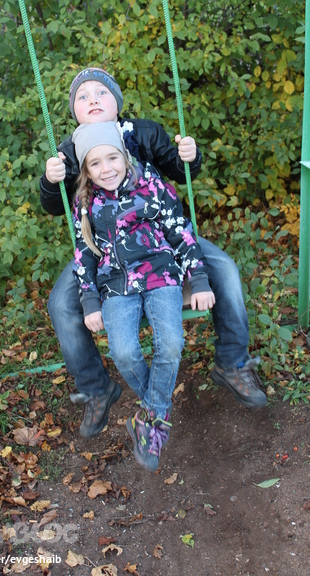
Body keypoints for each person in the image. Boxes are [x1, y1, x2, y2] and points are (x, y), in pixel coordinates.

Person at [40, 68, 267, 439]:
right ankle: (97, 388)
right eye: (82, 96)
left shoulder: (143, 132)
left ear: (117, 102)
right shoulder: (67, 153)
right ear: (74, 112)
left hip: (160, 235)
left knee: (224, 269)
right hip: (104, 246)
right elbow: (55, 205)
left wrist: (189, 157)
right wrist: (51, 182)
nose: (92, 99)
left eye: (101, 92)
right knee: (61, 303)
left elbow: (178, 170)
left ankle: (232, 361)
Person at [71, 121, 215, 471]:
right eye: (95, 163)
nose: (107, 169)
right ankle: (156, 413)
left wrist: (198, 279)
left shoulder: (151, 184)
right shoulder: (85, 202)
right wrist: (89, 301)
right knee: (122, 351)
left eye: (112, 158)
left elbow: (180, 231)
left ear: (124, 155)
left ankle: (149, 418)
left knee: (171, 344)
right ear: (86, 170)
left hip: (161, 274)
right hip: (115, 284)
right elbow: (83, 253)